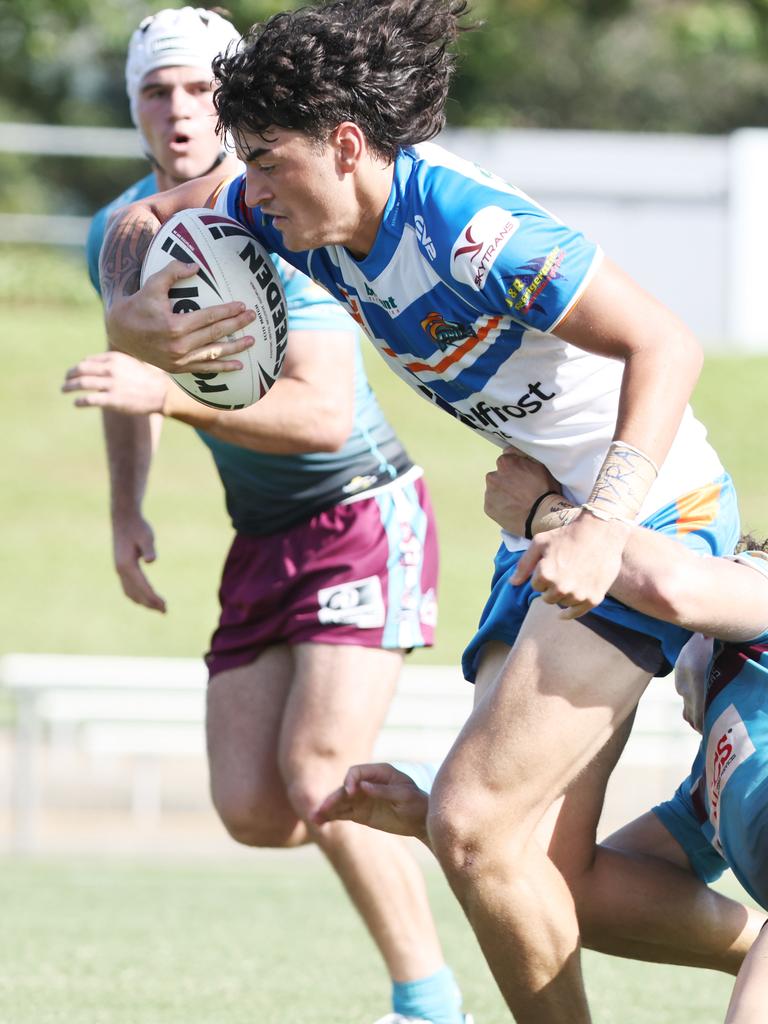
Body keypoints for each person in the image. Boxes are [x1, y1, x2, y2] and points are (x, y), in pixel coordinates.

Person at [93, 2, 747, 1019]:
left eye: (265, 161)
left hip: (651, 505)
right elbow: (148, 217)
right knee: (541, 872)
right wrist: (126, 310)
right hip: (538, 522)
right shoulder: (293, 211)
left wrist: (604, 521)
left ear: (346, 146)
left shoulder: (471, 232)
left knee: (479, 826)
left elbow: (668, 343)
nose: (250, 192)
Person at [64, 9, 472, 1024]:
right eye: (158, 90)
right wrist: (128, 507)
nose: (181, 110)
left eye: (202, 88)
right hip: (265, 534)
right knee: (256, 809)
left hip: (362, 506)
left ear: (234, 99)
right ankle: (432, 796)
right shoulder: (116, 234)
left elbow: (324, 411)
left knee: (316, 769)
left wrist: (169, 397)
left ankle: (430, 1001)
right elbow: (132, 377)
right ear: (136, 106)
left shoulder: (276, 212)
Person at [316, 450, 768, 1024]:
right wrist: (443, 821)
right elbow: (571, 885)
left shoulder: (759, 598)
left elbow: (671, 586)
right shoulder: (711, 793)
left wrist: (545, 515)